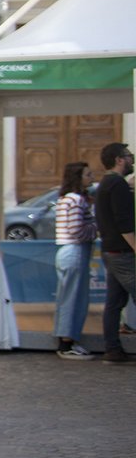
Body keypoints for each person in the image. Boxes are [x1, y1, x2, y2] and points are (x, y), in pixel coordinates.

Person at [93, 141, 135, 363]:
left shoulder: (107, 183)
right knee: (116, 301)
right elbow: (124, 223)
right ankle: (112, 348)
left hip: (111, 251)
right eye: (128, 156)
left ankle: (112, 348)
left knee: (114, 302)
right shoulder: (117, 184)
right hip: (122, 252)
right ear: (119, 160)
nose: (131, 159)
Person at [52, 161, 96, 358]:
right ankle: (67, 342)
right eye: (88, 174)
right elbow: (76, 230)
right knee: (74, 298)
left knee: (67, 297)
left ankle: (66, 339)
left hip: (68, 251)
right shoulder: (76, 200)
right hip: (75, 250)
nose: (91, 178)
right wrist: (96, 228)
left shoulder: (65, 199)